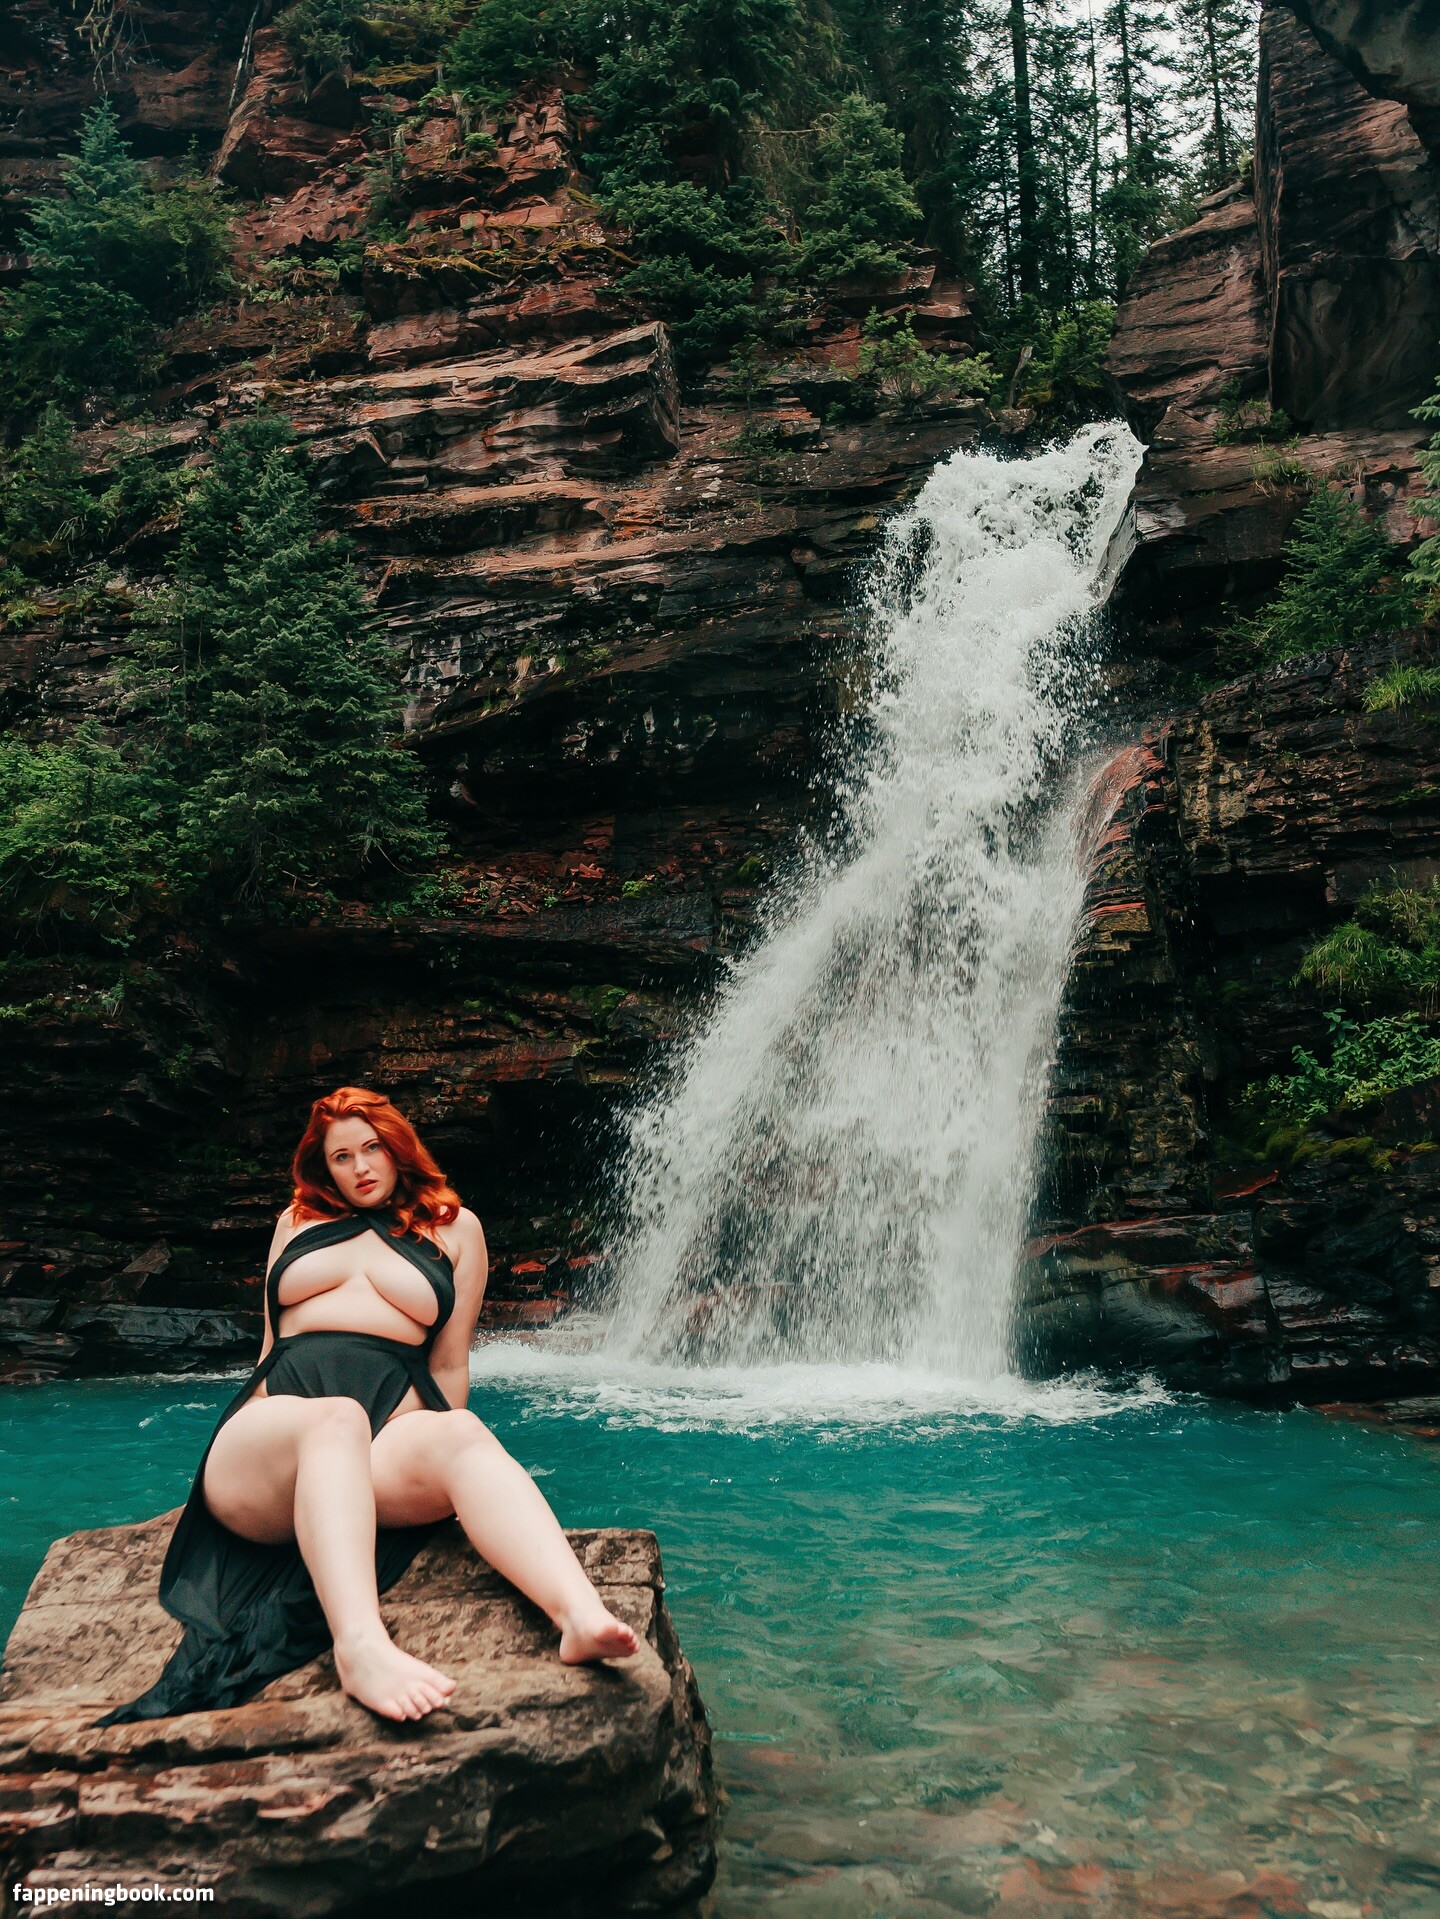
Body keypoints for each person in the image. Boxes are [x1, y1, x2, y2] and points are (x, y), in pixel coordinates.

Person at [95, 1085, 637, 1726]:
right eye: (341, 1157)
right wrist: (272, 1423)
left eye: (371, 1148)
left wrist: (443, 1473)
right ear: (324, 1167)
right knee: (336, 1418)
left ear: (397, 1146)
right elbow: (269, 1346)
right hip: (267, 1455)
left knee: (462, 1431)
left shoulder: (458, 1229)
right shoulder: (295, 1221)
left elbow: (449, 1365)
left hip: (378, 1451)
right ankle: (360, 1649)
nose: (360, 1167)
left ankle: (579, 1615)